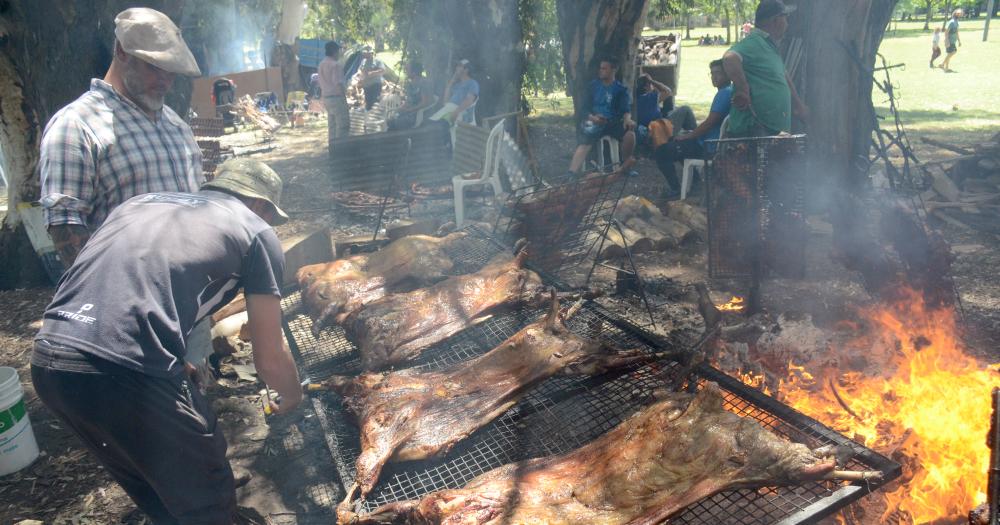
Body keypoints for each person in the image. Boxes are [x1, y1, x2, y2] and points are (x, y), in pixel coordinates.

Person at [31, 158, 303, 524]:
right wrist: (293, 394)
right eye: (271, 215)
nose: (270, 224)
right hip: (124, 373)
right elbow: (269, 358)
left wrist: (164, 355)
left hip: (51, 359)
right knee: (208, 491)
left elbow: (121, 285)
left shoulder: (141, 203)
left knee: (150, 481)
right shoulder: (255, 231)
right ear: (260, 205)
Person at [39, 7, 204, 269]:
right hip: (125, 296)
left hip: (190, 289)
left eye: (171, 71)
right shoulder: (77, 125)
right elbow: (65, 225)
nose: (165, 80)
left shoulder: (175, 124)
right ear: (121, 52)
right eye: (155, 67)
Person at [722, 0, 809, 137]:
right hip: (752, 130)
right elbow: (729, 58)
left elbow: (783, 75)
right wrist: (742, 88)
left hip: (771, 131)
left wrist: (798, 105)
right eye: (786, 18)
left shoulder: (770, 46)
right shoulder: (755, 41)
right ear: (776, 21)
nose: (787, 24)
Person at [651, 59, 734, 199]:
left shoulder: (724, 93)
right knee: (679, 137)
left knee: (661, 152)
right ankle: (694, 181)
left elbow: (709, 123)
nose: (714, 77)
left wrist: (690, 136)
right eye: (712, 74)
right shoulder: (728, 91)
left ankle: (676, 189)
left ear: (728, 75)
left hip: (709, 146)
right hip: (709, 141)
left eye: (718, 73)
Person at [568, 57, 636, 176]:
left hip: (611, 122)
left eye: (604, 68)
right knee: (585, 141)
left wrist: (627, 119)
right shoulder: (592, 87)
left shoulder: (620, 90)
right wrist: (593, 118)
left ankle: (626, 166)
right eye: (600, 68)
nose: (601, 71)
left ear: (614, 69)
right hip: (594, 121)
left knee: (630, 134)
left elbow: (625, 110)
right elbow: (583, 109)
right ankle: (571, 173)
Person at [318, 40, 349, 151]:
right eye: (339, 50)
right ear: (334, 51)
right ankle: (341, 150)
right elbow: (338, 83)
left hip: (326, 98)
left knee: (332, 126)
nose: (340, 53)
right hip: (336, 98)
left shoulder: (321, 64)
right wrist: (344, 98)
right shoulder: (335, 65)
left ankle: (333, 148)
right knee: (342, 125)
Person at [429, 58, 480, 126]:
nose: (456, 68)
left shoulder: (472, 83)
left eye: (459, 66)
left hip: (460, 113)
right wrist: (450, 83)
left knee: (436, 124)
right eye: (457, 66)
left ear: (466, 70)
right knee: (431, 123)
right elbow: (445, 102)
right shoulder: (456, 85)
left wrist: (457, 111)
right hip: (449, 110)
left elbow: (469, 100)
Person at [388, 60, 435, 130]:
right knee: (390, 121)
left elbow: (425, 102)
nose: (405, 71)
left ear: (414, 72)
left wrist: (409, 110)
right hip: (408, 112)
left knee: (396, 123)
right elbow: (408, 101)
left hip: (417, 114)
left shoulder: (423, 83)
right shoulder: (410, 84)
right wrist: (399, 109)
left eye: (407, 69)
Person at [358, 46, 385, 110]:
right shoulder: (363, 61)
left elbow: (383, 70)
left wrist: (372, 73)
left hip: (375, 85)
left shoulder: (377, 61)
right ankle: (368, 116)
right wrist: (360, 75)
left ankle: (375, 117)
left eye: (366, 53)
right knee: (368, 103)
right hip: (366, 85)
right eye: (364, 53)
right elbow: (360, 69)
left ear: (371, 53)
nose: (364, 54)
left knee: (375, 102)